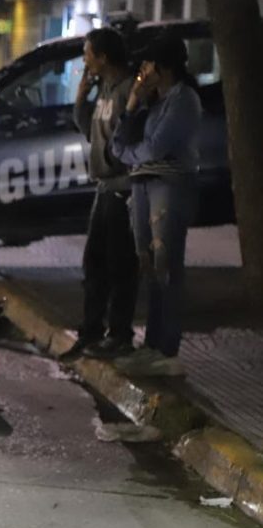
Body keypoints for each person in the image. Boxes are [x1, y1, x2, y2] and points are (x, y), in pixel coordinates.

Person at [110, 33, 202, 375]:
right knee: (147, 264)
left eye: (147, 64)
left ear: (162, 68)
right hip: (143, 184)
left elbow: (155, 148)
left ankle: (166, 348)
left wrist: (134, 155)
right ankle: (151, 344)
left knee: (166, 265)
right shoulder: (154, 102)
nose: (142, 71)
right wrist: (133, 102)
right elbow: (118, 147)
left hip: (169, 184)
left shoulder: (183, 100)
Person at [61, 28, 139, 361]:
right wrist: (81, 96)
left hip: (123, 188)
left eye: (88, 53)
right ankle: (90, 332)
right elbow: (88, 129)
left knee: (120, 264)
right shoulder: (104, 88)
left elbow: (128, 139)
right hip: (103, 188)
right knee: (94, 263)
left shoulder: (128, 90)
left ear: (103, 57)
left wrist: (111, 163)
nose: (85, 60)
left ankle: (119, 334)